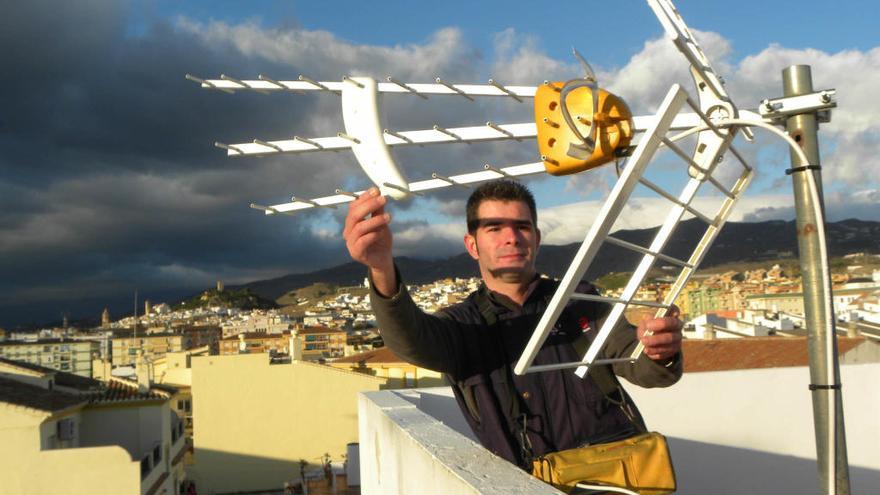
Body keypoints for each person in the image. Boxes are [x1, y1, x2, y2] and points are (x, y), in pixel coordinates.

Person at [343, 180, 683, 470]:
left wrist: (659, 351)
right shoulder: (463, 326)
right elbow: (412, 340)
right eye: (494, 228)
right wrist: (382, 270)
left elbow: (643, 367)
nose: (511, 238)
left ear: (535, 237)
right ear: (472, 245)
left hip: (622, 479)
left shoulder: (581, 301)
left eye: (521, 227)